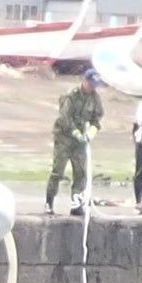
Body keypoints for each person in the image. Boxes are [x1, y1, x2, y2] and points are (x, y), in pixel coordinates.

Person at [45, 63, 103, 212]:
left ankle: (76, 205)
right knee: (58, 171)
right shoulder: (71, 95)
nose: (92, 87)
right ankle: (49, 203)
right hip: (64, 138)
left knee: (81, 173)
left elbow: (97, 119)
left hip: (81, 142)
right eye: (91, 84)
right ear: (85, 80)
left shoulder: (95, 98)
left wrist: (91, 132)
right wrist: (75, 132)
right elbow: (64, 118)